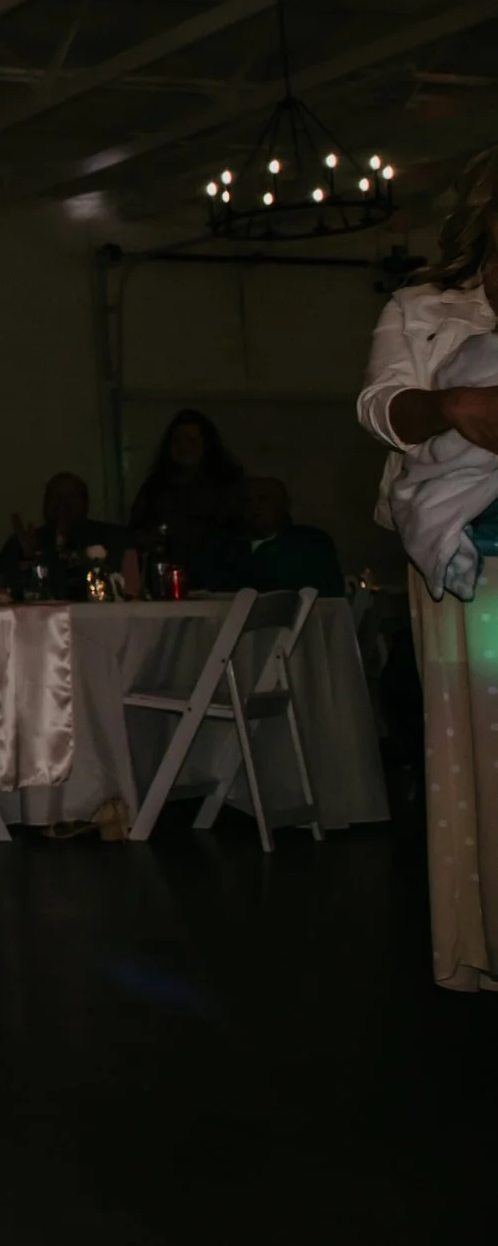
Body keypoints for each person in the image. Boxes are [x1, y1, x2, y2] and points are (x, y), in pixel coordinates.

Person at [358, 145, 498, 991]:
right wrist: (450, 404)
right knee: (480, 760)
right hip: (465, 560)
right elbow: (381, 408)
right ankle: (483, 938)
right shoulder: (424, 306)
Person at [128, 408, 245, 587]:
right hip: (166, 577)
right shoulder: (156, 485)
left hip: (219, 575)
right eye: (177, 441)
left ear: (207, 444)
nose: (184, 447)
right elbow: (135, 529)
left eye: (191, 440)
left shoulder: (229, 484)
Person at [0, 472, 131, 597]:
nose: (63, 504)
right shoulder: (22, 543)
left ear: (86, 502)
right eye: (55, 497)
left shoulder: (112, 537)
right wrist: (28, 560)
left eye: (72, 497)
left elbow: (124, 585)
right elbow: (0, 589)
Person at [204, 476, 345, 596]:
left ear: (284, 504)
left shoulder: (310, 543)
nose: (255, 506)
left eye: (263, 499)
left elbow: (329, 594)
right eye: (247, 500)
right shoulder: (222, 547)